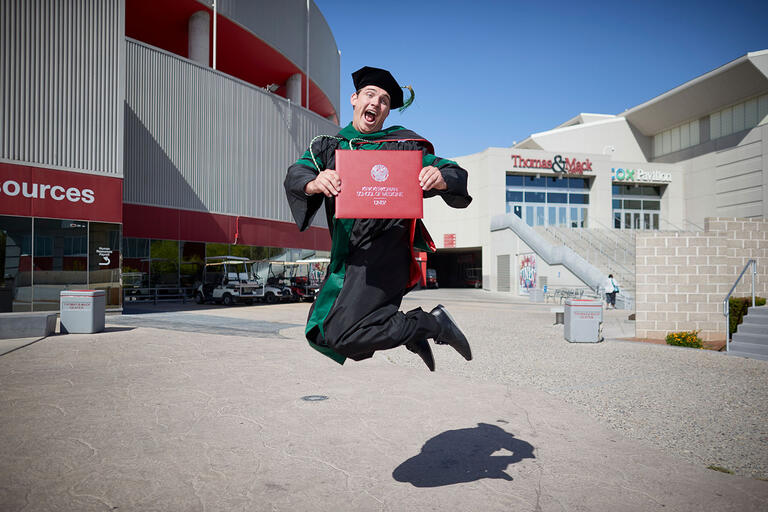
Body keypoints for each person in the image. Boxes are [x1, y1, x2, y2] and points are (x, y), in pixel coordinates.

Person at [283, 66, 472, 372]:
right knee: (326, 331)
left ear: (386, 112)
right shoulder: (330, 148)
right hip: (350, 258)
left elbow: (454, 172)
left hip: (387, 254)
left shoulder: (403, 148)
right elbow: (297, 172)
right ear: (355, 99)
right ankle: (418, 328)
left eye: (384, 101)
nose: (376, 104)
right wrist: (314, 183)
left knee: (343, 334)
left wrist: (439, 176)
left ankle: (427, 325)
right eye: (370, 95)